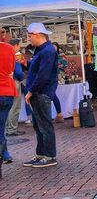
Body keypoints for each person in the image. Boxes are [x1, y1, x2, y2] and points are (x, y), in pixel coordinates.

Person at [23, 23, 59, 168]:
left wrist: (31, 91)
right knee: (39, 125)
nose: (29, 38)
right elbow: (38, 72)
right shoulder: (42, 50)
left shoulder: (47, 51)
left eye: (30, 35)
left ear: (38, 35)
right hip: (39, 92)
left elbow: (43, 76)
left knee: (44, 125)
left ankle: (49, 156)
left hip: (41, 93)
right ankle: (41, 154)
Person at [0, 40, 18, 175]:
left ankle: (4, 154)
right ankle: (4, 154)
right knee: (1, 127)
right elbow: (12, 69)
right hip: (7, 91)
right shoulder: (9, 48)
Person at [5, 39, 26, 137]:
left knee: (10, 106)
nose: (20, 47)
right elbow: (18, 72)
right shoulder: (16, 55)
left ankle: (8, 128)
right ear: (15, 45)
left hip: (7, 81)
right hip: (15, 81)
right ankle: (11, 129)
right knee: (15, 106)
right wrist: (22, 77)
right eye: (19, 45)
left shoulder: (5, 54)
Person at [51, 42, 67, 123]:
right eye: (52, 47)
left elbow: (64, 64)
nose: (53, 48)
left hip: (57, 75)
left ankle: (59, 114)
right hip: (52, 76)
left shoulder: (60, 55)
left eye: (55, 47)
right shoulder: (49, 54)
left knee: (52, 95)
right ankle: (59, 114)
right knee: (53, 95)